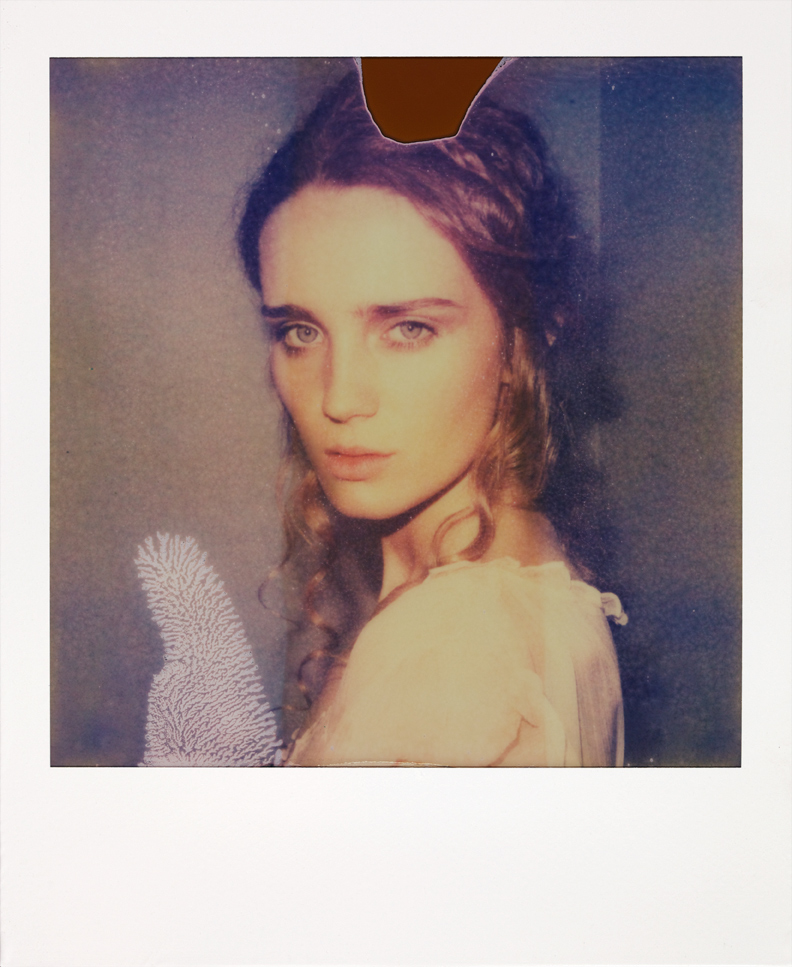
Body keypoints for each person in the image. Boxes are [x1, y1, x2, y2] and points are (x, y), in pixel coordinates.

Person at [236, 71, 626, 767]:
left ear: (522, 337)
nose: (339, 399)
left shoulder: (449, 648)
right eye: (300, 331)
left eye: (409, 328)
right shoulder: (529, 580)